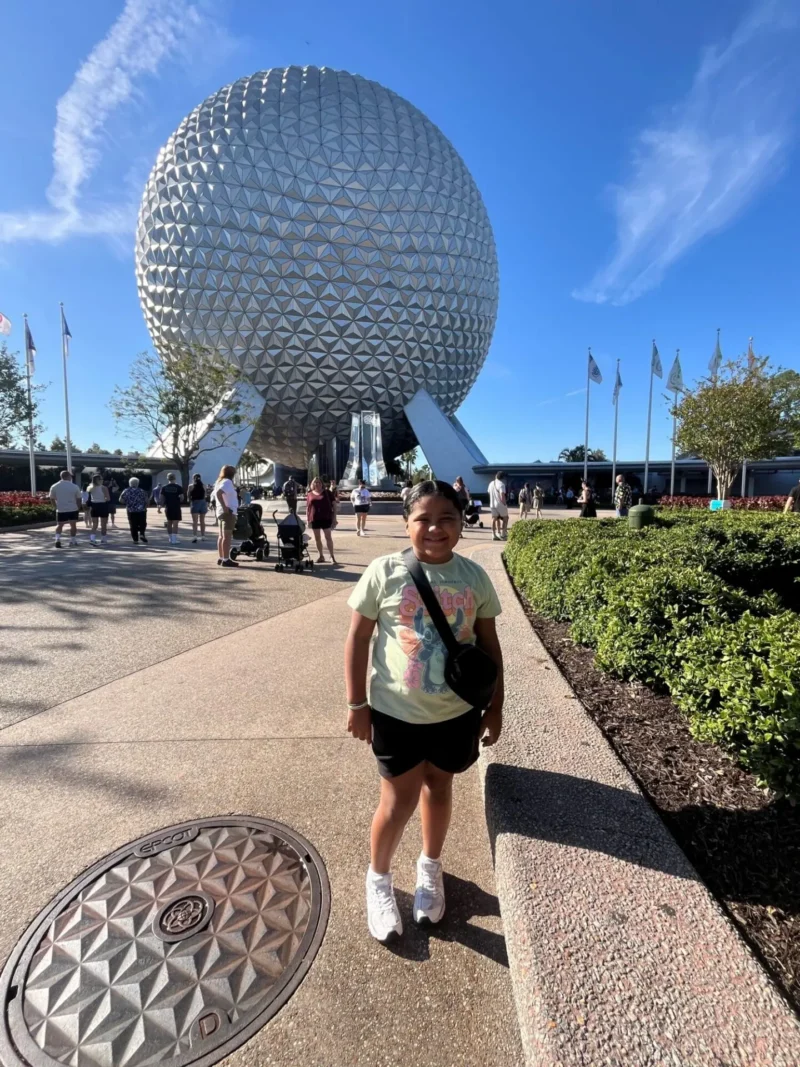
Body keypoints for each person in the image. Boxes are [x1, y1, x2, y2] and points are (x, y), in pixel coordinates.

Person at [344, 480, 504, 943]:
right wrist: (357, 703)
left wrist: (494, 708)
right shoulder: (384, 571)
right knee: (397, 801)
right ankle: (379, 880)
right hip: (397, 713)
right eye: (423, 519)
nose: (435, 528)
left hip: (455, 714)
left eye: (447, 519)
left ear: (461, 523)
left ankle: (430, 869)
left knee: (440, 788)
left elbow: (489, 647)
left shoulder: (474, 577)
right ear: (406, 523)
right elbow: (357, 639)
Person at [306, 477, 338, 564]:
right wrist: (307, 520)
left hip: (326, 518)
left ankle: (332, 556)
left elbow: (334, 506)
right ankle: (321, 556)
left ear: (322, 484)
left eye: (319, 482)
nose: (317, 484)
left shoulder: (327, 493)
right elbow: (308, 508)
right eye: (315, 482)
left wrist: (334, 518)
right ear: (313, 484)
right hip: (314, 518)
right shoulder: (309, 494)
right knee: (317, 538)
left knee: (328, 537)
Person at [214, 464, 239, 567]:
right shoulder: (228, 482)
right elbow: (219, 494)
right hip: (227, 512)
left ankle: (221, 557)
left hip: (221, 512)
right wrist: (225, 507)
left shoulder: (219, 482)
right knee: (227, 536)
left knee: (221, 536)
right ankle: (226, 559)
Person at [49, 471, 82, 548]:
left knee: (60, 525)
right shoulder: (74, 486)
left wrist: (55, 506)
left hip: (61, 508)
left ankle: (57, 539)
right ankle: (72, 540)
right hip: (72, 508)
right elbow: (79, 498)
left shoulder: (54, 486)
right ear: (69, 476)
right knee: (73, 525)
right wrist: (78, 507)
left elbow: (52, 498)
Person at [119, 477, 149, 544]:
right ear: (137, 483)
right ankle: (142, 533)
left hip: (131, 510)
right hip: (141, 510)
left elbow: (120, 500)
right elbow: (147, 501)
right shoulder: (142, 491)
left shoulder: (126, 491)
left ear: (130, 483)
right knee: (142, 523)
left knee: (133, 524)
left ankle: (135, 539)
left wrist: (127, 503)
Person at [87, 475, 111, 546]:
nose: (102, 480)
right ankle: (103, 539)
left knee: (94, 524)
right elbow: (108, 498)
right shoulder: (103, 488)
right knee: (103, 524)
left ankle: (92, 539)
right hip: (102, 505)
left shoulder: (90, 487)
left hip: (94, 506)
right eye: (101, 479)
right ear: (99, 480)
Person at [161, 473, 183, 544]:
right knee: (175, 523)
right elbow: (182, 498)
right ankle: (174, 539)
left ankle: (170, 538)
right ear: (175, 478)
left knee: (169, 522)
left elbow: (161, 498)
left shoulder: (164, 487)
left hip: (168, 506)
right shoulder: (178, 487)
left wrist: (160, 506)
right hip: (176, 506)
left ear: (168, 478)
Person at [488, 471, 508, 541]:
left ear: (496, 475)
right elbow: (502, 495)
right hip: (499, 503)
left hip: (492, 503)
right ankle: (503, 533)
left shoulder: (491, 483)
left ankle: (493, 534)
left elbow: (489, 492)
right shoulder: (501, 484)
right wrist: (504, 504)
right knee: (505, 518)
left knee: (494, 519)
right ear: (502, 478)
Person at [188, 473, 208, 542]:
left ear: (193, 478)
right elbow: (205, 495)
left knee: (195, 521)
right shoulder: (204, 486)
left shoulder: (191, 486)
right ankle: (203, 536)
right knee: (202, 521)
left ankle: (195, 536)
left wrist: (191, 502)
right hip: (202, 502)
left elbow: (188, 495)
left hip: (195, 502)